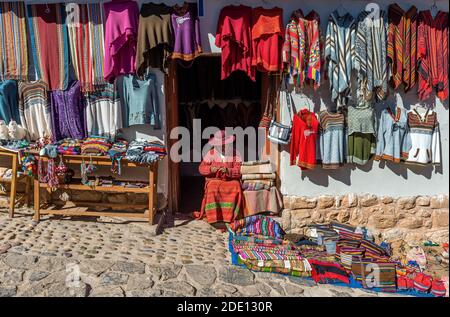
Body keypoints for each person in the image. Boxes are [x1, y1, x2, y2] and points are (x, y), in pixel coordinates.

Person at [195, 130, 242, 226]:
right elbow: (201, 168)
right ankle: (214, 218)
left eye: (224, 144)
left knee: (236, 186)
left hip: (230, 180)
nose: (222, 146)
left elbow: (239, 169)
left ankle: (230, 217)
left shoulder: (235, 153)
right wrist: (211, 169)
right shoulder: (211, 153)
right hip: (214, 180)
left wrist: (228, 171)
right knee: (212, 187)